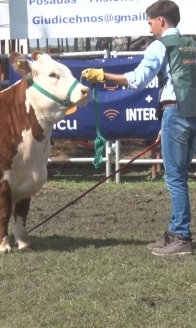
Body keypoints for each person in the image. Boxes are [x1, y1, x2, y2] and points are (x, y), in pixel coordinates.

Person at [82, 0, 194, 255]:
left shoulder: (160, 45)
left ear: (161, 22)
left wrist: (103, 76)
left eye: (151, 23)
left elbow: (138, 79)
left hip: (174, 111)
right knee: (180, 175)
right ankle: (175, 230)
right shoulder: (192, 46)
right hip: (191, 113)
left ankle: (181, 237)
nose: (150, 28)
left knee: (175, 177)